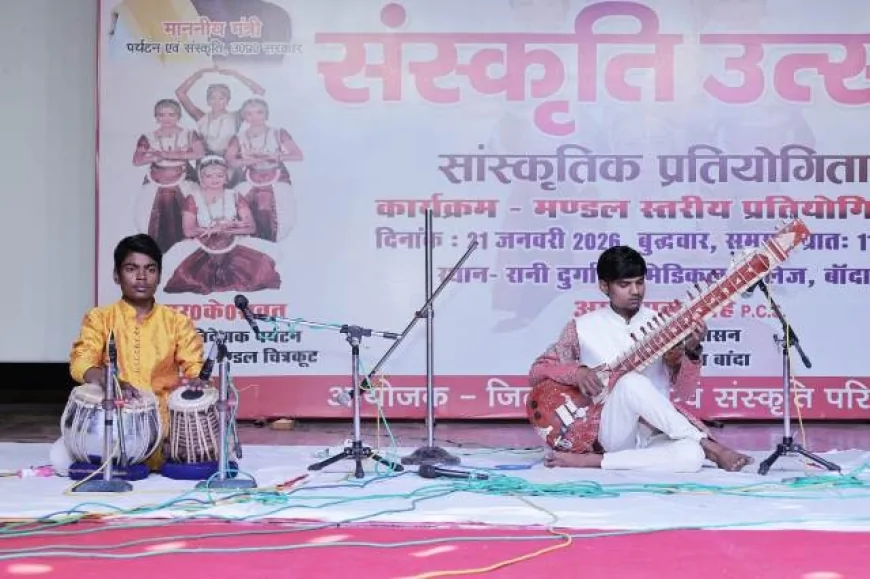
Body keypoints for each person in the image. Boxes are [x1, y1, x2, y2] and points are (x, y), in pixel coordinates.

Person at [529, 246, 753, 472]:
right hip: (612, 431)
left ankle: (594, 462)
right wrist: (578, 373)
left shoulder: (665, 327)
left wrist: (692, 351)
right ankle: (712, 447)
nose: (635, 291)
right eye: (624, 285)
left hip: (656, 431)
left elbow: (685, 392)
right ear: (604, 286)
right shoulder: (581, 328)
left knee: (692, 456)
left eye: (639, 282)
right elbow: (538, 371)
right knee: (629, 382)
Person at [67, 234, 207, 471]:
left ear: (159, 276)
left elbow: (195, 366)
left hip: (161, 423)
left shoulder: (177, 322)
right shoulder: (100, 318)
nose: (141, 277)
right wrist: (107, 380)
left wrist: (199, 381)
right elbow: (81, 361)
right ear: (116, 275)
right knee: (61, 459)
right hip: (111, 421)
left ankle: (157, 452)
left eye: (150, 269)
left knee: (200, 455)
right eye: (131, 269)